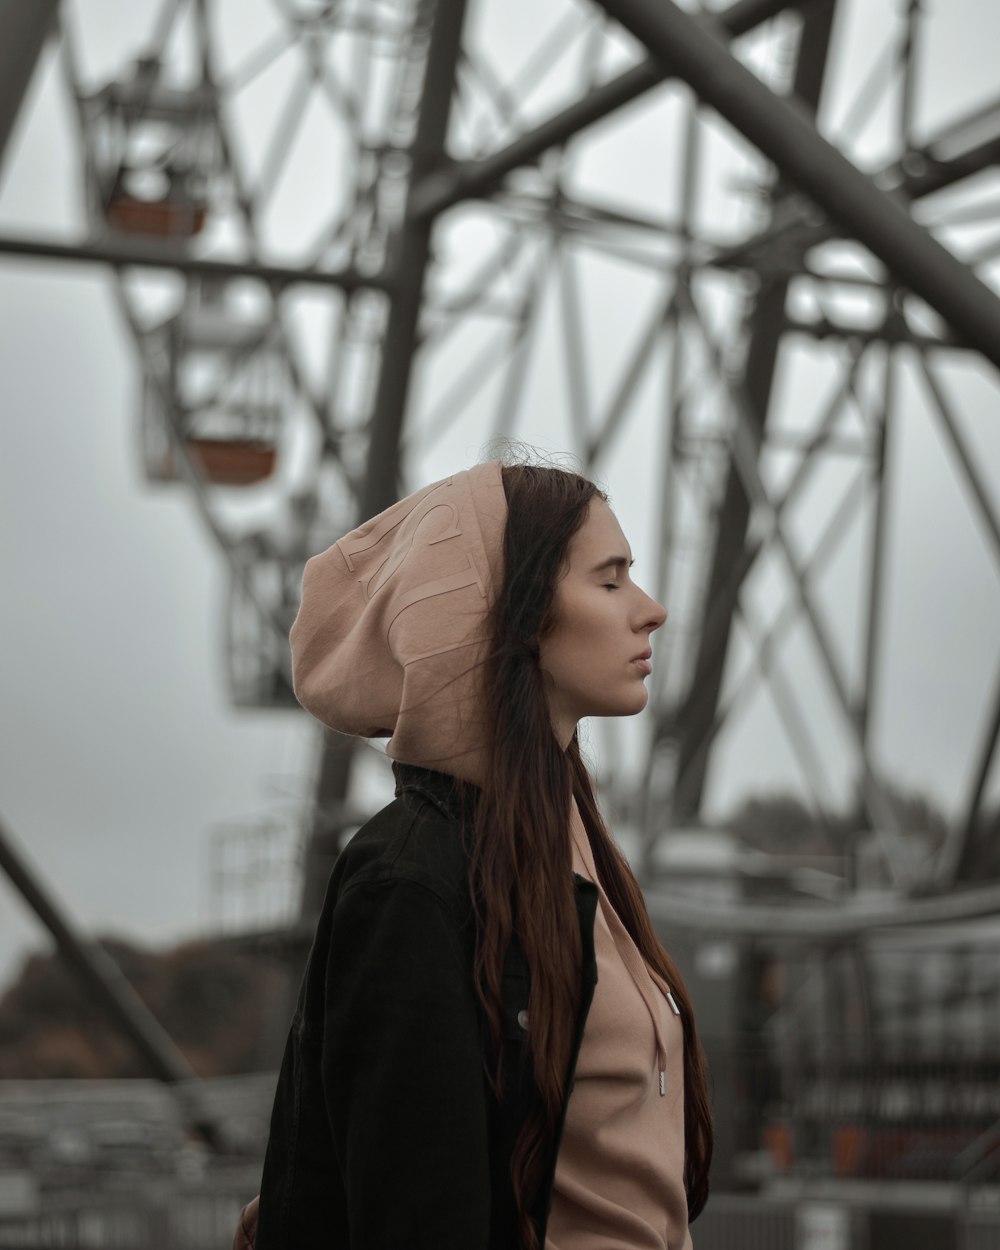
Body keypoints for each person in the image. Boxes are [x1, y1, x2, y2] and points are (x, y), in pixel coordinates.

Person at [236, 458, 713, 1250]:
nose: (651, 610)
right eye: (610, 581)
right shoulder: (410, 882)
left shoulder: (575, 848)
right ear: (510, 616)